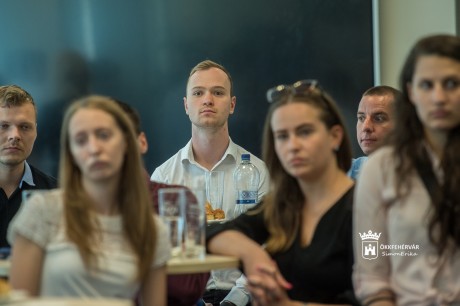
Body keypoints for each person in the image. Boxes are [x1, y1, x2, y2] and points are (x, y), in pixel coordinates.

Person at [207, 79, 359, 305]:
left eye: (305, 132)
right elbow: (210, 234)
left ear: (335, 136)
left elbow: (375, 298)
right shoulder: (283, 204)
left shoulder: (365, 206)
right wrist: (252, 253)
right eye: (282, 136)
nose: (293, 145)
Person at [7, 95, 170, 305]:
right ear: (72, 154)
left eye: (104, 135)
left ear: (127, 143)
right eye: (81, 140)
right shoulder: (42, 211)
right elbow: (20, 302)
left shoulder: (151, 230)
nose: (94, 148)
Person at [151, 60, 270, 306]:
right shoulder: (163, 177)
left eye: (217, 92)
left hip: (247, 298)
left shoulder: (257, 171)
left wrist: (235, 301)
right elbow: (156, 255)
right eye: (198, 93)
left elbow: (268, 246)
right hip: (184, 299)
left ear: (232, 104)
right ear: (186, 105)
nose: (208, 100)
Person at [353, 34, 460, 305]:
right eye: (427, 85)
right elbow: (371, 273)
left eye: (451, 84)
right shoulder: (380, 168)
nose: (438, 97)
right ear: (412, 92)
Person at [115, 99, 210, 306]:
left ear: (141, 142)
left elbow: (188, 287)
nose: (98, 148)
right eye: (83, 140)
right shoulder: (71, 208)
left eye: (114, 136)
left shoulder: (179, 200)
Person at [0, 85, 57, 250]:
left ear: (36, 132)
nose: (15, 136)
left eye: (24, 127)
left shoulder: (55, 195)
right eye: (3, 126)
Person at [347, 85, 400, 180]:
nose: (365, 127)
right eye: (361, 118)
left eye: (378, 118)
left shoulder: (420, 175)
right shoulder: (346, 171)